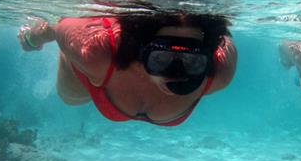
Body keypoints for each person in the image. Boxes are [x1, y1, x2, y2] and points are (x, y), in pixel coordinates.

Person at [18, 12, 237, 125]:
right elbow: (56, 29)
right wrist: (32, 38)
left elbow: (223, 35)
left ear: (206, 59)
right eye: (160, 59)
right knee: (72, 99)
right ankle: (68, 55)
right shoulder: (96, 53)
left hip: (103, 74)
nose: (176, 75)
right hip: (94, 74)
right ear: (142, 53)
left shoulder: (219, 73)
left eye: (191, 62)